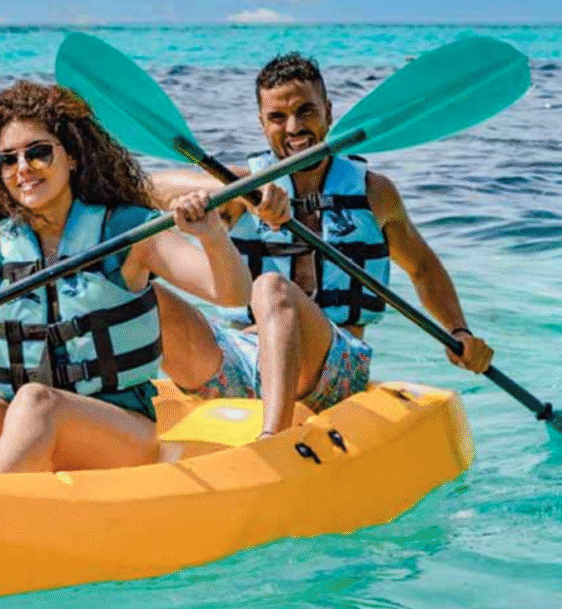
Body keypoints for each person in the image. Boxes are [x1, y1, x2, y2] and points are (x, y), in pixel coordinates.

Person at [0, 80, 252, 473]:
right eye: (8, 159)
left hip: (121, 433)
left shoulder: (129, 231)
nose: (24, 168)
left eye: (38, 152)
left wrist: (212, 236)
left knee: (37, 401)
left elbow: (231, 293)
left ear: (70, 155)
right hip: (26, 426)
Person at [151, 53, 494, 437]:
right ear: (263, 125)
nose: (294, 128)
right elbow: (149, 189)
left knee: (270, 286)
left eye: (306, 111)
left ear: (329, 113)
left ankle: (273, 440)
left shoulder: (373, 193)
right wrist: (240, 192)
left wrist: (459, 331)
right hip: (241, 360)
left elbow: (422, 268)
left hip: (334, 368)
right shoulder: (241, 188)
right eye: (278, 118)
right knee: (147, 292)